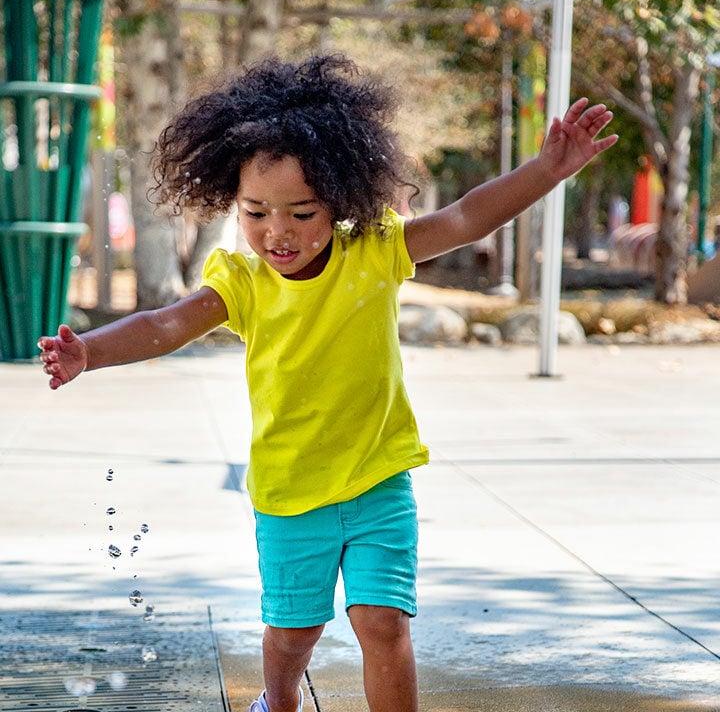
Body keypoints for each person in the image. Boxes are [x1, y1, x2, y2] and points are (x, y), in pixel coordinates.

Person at [38, 54, 617, 712]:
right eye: (255, 213)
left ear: (340, 199)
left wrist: (547, 170)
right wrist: (91, 351)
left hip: (378, 477)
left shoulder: (373, 250)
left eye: (301, 214)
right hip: (291, 494)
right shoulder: (242, 280)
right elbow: (167, 323)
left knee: (383, 624)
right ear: (234, 202)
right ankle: (279, 698)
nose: (276, 231)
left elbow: (464, 219)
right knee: (293, 633)